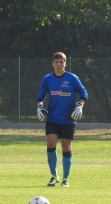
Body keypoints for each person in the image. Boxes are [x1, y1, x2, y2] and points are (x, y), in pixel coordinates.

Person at [37, 52, 88, 187]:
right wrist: (39, 107)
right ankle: (54, 176)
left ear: (65, 63)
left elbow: (83, 93)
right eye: (56, 62)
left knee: (66, 147)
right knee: (51, 143)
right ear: (52, 63)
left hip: (68, 119)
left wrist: (80, 106)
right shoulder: (47, 79)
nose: (59, 65)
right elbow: (41, 96)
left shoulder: (72, 78)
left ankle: (65, 179)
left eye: (61, 62)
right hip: (53, 118)